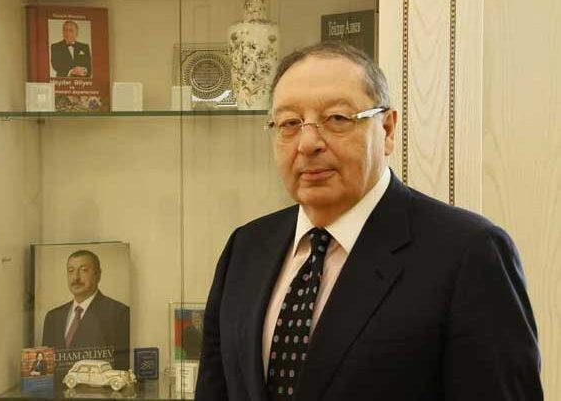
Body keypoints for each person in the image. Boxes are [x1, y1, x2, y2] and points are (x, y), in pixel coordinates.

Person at [195, 41, 542, 400]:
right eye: (289, 123)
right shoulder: (246, 248)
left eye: (337, 119)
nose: (308, 143)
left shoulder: (469, 253)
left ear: (387, 129)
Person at [42, 250, 129, 369]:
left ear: (98, 275)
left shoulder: (119, 313)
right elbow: (47, 369)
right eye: (71, 271)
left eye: (84, 270)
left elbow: (121, 368)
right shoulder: (53, 317)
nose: (76, 277)